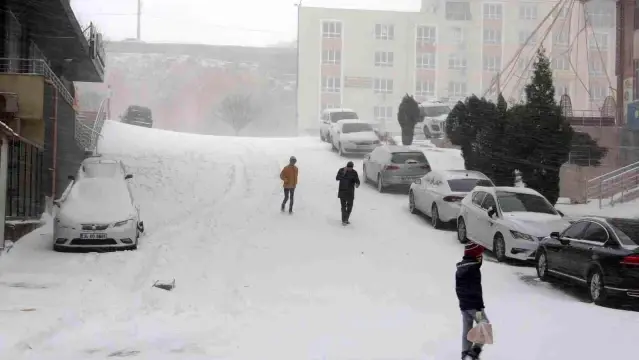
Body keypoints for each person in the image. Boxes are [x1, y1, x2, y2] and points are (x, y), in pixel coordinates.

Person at [455, 242, 490, 360]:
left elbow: (460, 288)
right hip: (475, 306)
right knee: (485, 325)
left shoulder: (461, 269)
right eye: (480, 255)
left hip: (465, 306)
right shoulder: (472, 269)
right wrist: (477, 306)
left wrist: (464, 303)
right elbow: (472, 290)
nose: (482, 258)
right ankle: (473, 352)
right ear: (475, 255)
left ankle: (465, 354)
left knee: (467, 330)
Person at [335, 161, 360, 225]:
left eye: (351, 168)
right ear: (346, 166)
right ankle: (344, 220)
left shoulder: (354, 173)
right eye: (348, 167)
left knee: (350, 207)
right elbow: (337, 178)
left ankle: (346, 219)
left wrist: (357, 184)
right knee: (343, 206)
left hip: (350, 192)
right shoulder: (341, 170)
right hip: (342, 191)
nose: (349, 169)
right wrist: (343, 173)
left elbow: (357, 180)